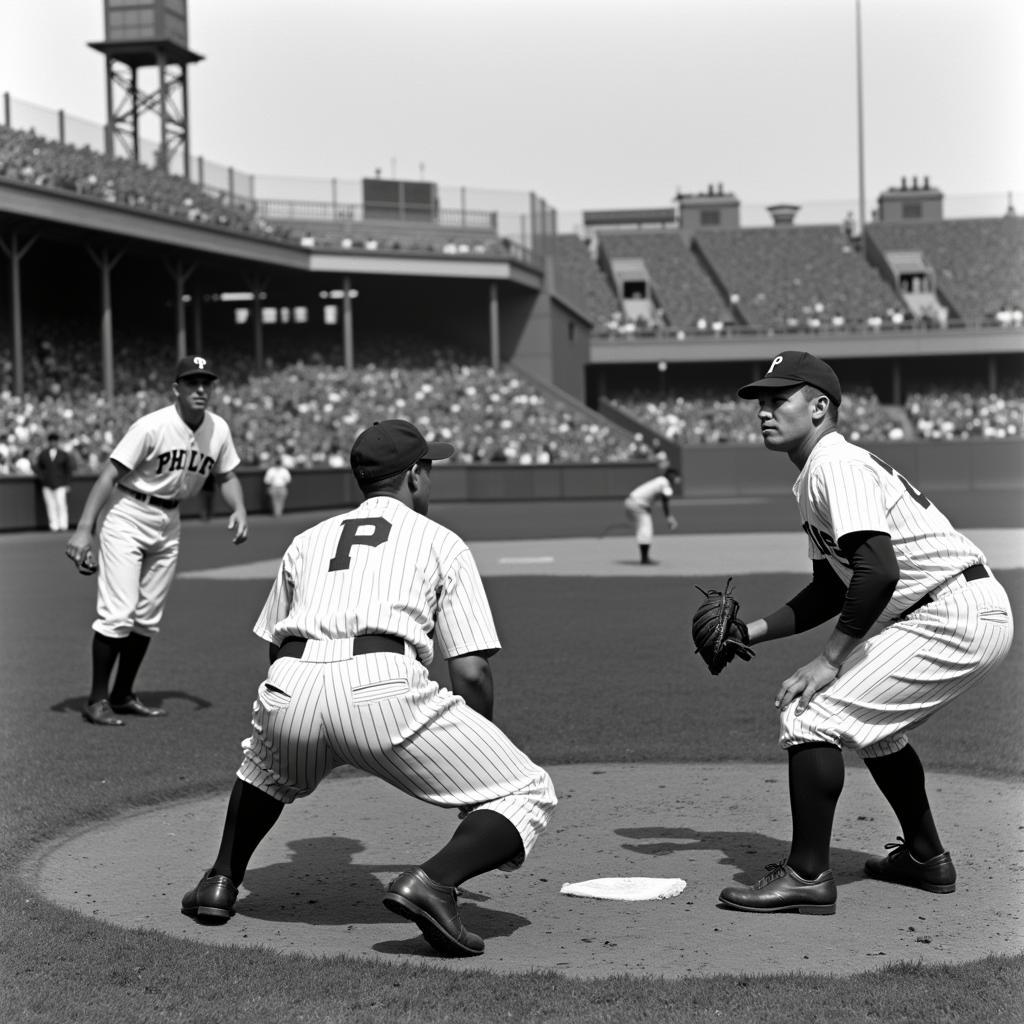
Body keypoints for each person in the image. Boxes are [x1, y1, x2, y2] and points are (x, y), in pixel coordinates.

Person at [179, 418, 556, 957]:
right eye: (428, 467)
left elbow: (273, 643)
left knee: (265, 769)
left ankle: (220, 883)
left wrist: (300, 709)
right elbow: (470, 670)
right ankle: (431, 883)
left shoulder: (306, 540)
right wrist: (477, 761)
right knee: (527, 790)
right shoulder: (441, 541)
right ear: (415, 477)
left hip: (291, 679)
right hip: (382, 686)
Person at [718, 351, 1013, 915]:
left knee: (811, 712)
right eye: (760, 400)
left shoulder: (835, 464)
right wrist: (748, 632)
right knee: (874, 729)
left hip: (952, 612)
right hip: (953, 608)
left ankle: (807, 875)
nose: (764, 410)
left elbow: (878, 571)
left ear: (821, 406)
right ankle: (925, 856)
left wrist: (827, 660)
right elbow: (831, 589)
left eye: (780, 399)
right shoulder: (816, 475)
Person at [65, 355, 249, 727]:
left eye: (206, 383)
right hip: (128, 513)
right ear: (176, 389)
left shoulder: (218, 429)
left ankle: (123, 694)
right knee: (119, 611)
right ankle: (97, 699)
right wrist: (85, 528)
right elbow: (108, 475)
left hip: (170, 518)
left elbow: (227, 475)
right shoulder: (152, 426)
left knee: (147, 616)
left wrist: (240, 508)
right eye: (192, 382)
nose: (200, 389)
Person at [624, 467, 680, 564]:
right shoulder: (664, 482)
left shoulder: (660, 481)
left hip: (632, 503)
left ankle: (644, 558)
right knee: (645, 529)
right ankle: (644, 559)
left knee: (643, 526)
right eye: (676, 476)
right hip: (637, 504)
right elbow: (665, 500)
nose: (678, 479)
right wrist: (669, 517)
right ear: (671, 476)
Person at [35, 430, 76, 531]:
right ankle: (54, 525)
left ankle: (63, 525)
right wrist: (43, 478)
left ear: (57, 442)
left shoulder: (63, 454)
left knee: (61, 504)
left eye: (55, 440)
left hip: (60, 484)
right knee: (50, 505)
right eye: (51, 440)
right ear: (49, 442)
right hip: (47, 484)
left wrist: (67, 484)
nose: (53, 442)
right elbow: (38, 468)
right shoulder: (43, 454)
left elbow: (68, 470)